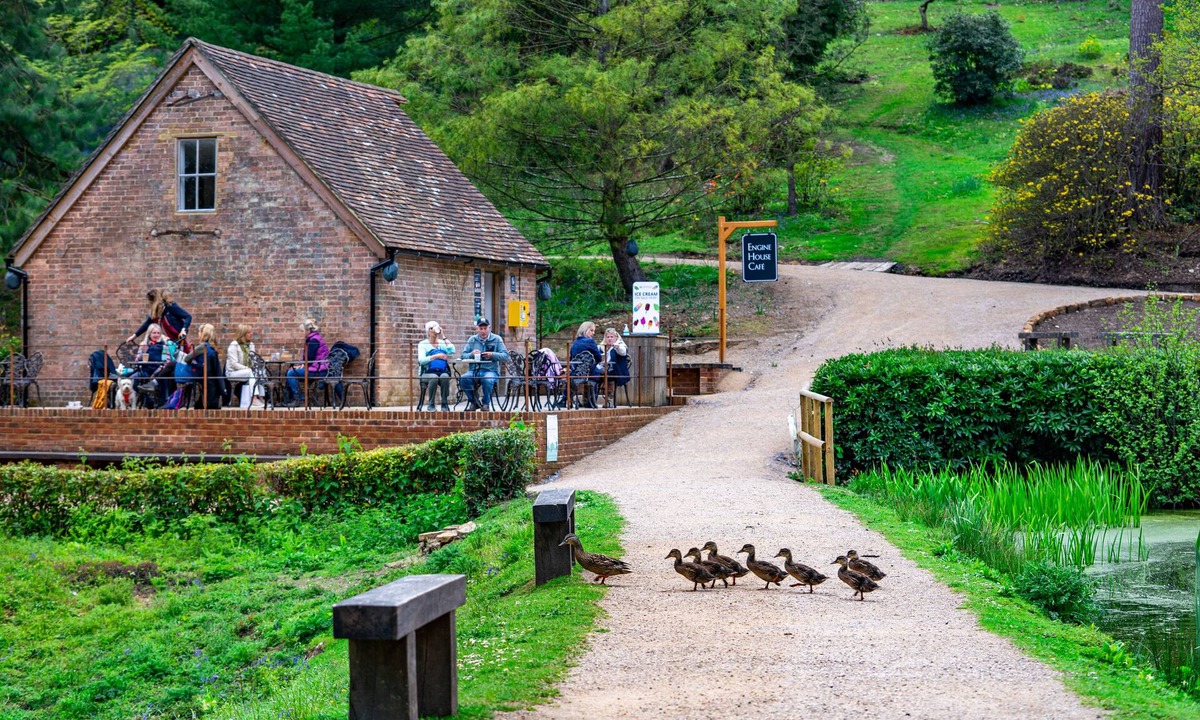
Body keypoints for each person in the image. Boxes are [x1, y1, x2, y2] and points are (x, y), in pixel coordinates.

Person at [459, 317, 509, 410]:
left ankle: (486, 403)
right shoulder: (472, 339)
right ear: (477, 328)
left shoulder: (497, 339)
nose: (483, 331)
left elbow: (505, 356)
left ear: (489, 328)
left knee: (487, 379)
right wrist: (471, 354)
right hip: (474, 370)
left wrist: (492, 355)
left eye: (485, 328)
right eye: (481, 328)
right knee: (463, 379)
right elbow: (463, 356)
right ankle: (474, 402)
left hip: (491, 370)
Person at [175, 323, 225, 409]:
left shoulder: (202, 346)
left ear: (203, 334)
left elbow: (187, 359)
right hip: (209, 378)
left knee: (172, 365)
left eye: (199, 332)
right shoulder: (212, 348)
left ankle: (168, 397)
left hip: (199, 374)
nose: (198, 334)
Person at [285, 319, 329, 406]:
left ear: (308, 330)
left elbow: (310, 358)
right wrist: (302, 365)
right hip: (317, 368)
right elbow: (309, 358)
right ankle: (290, 399)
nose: (301, 333)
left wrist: (302, 366)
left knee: (290, 373)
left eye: (302, 331)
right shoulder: (314, 338)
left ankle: (300, 399)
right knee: (289, 372)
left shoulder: (313, 341)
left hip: (318, 371)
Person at [128, 289, 192, 343]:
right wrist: (134, 336)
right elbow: (146, 324)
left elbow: (188, 316)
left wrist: (183, 329)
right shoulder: (155, 312)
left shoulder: (170, 307)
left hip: (178, 340)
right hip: (166, 342)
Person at [417, 320, 455, 411]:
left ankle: (444, 404)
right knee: (434, 377)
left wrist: (443, 336)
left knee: (445, 376)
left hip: (441, 371)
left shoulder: (441, 343)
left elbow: (452, 350)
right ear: (428, 331)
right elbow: (421, 360)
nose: (435, 330)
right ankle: (431, 404)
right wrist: (436, 356)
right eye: (432, 328)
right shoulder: (423, 344)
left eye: (436, 327)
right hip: (426, 373)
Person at [564, 321, 604, 407]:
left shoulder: (575, 342)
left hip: (575, 372)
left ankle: (566, 398)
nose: (593, 333)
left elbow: (571, 358)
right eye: (591, 330)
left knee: (591, 374)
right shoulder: (590, 341)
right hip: (588, 372)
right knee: (599, 375)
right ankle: (590, 402)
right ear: (585, 330)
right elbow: (599, 358)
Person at [226, 324, 263, 409]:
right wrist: (247, 368)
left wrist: (255, 365)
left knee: (260, 372)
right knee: (250, 372)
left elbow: (253, 359)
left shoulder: (250, 344)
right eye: (249, 332)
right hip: (233, 372)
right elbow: (233, 364)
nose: (251, 334)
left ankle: (261, 398)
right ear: (243, 334)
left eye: (251, 332)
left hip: (246, 371)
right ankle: (254, 398)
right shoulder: (234, 345)